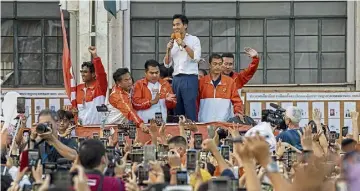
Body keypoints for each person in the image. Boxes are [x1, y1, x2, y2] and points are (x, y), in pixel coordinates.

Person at [163, 14, 201, 121]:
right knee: (177, 110)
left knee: (190, 109)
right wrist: (168, 50)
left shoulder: (194, 40)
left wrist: (184, 45)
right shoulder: (172, 42)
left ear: (185, 25)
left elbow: (196, 58)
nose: (175, 27)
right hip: (176, 79)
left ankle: (193, 134)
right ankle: (179, 135)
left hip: (189, 77)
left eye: (178, 24)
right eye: (173, 25)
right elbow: (167, 64)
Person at [198, 54, 244, 122]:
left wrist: (238, 112)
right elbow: (195, 102)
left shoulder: (230, 82)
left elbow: (237, 100)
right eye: (215, 64)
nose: (217, 66)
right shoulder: (201, 82)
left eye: (220, 64)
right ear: (209, 65)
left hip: (224, 123)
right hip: (204, 122)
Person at [107, 68, 148, 133]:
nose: (129, 82)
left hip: (122, 127)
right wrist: (141, 124)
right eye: (126, 80)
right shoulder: (117, 95)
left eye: (130, 79)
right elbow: (129, 111)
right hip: (112, 128)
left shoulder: (128, 89)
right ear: (118, 83)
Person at [76, 46, 108, 125]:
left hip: (97, 128)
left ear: (93, 74)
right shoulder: (79, 88)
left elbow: (101, 74)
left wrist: (95, 56)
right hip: (81, 129)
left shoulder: (100, 87)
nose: (83, 74)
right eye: (82, 72)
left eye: (85, 72)